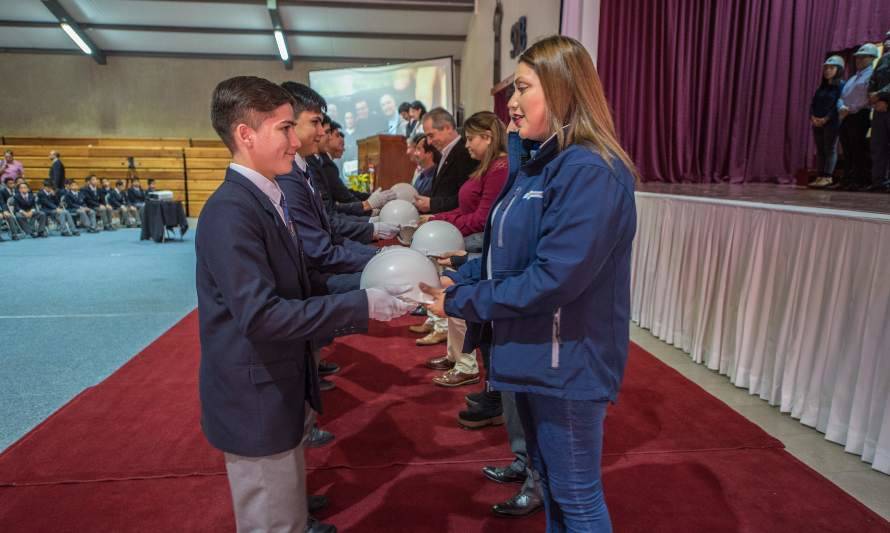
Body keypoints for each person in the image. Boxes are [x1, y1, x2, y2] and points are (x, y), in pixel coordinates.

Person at [421, 35, 638, 532]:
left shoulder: (590, 170)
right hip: (538, 351)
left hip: (568, 359)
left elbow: (554, 277)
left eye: (522, 90)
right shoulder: (540, 163)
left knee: (577, 496)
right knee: (553, 485)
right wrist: (466, 276)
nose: (511, 106)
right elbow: (511, 256)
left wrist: (465, 299)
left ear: (562, 90)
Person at [196, 75, 411, 533]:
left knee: (287, 510)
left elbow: (304, 281)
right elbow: (263, 315)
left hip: (278, 384)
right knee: (275, 522)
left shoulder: (262, 196)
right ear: (246, 134)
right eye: (285, 129)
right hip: (255, 396)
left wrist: (369, 290)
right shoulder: (232, 211)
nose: (297, 141)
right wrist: (364, 304)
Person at [419, 111, 509, 388]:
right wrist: (440, 219)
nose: (467, 144)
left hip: (476, 242)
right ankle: (457, 356)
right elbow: (467, 210)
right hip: (466, 237)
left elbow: (483, 219)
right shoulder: (486, 166)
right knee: (452, 296)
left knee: (458, 298)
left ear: (488, 137)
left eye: (471, 139)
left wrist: (444, 221)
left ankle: (466, 363)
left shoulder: (500, 168)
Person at [415, 107, 479, 214]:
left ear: (448, 128)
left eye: (431, 135)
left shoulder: (465, 153)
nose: (429, 142)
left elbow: (467, 198)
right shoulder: (444, 153)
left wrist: (432, 204)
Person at [836, 43, 878, 191]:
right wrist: (841, 106)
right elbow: (842, 96)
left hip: (860, 114)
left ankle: (860, 180)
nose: (858, 60)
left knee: (858, 148)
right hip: (846, 116)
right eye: (857, 58)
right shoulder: (853, 78)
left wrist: (851, 108)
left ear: (872, 58)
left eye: (863, 57)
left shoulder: (873, 75)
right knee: (847, 149)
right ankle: (847, 179)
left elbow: (867, 98)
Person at [808, 56, 845, 189]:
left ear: (839, 70)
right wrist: (812, 116)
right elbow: (813, 103)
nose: (827, 70)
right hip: (817, 122)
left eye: (831, 68)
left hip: (832, 123)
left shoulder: (841, 85)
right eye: (826, 68)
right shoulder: (822, 87)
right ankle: (820, 176)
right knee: (820, 150)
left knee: (830, 149)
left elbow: (838, 104)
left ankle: (827, 176)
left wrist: (826, 118)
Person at [866, 30, 890, 192]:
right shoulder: (882, 60)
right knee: (877, 146)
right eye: (887, 39)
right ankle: (878, 182)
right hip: (880, 110)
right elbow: (872, 81)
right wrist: (873, 97)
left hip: (887, 105)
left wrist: (881, 96)